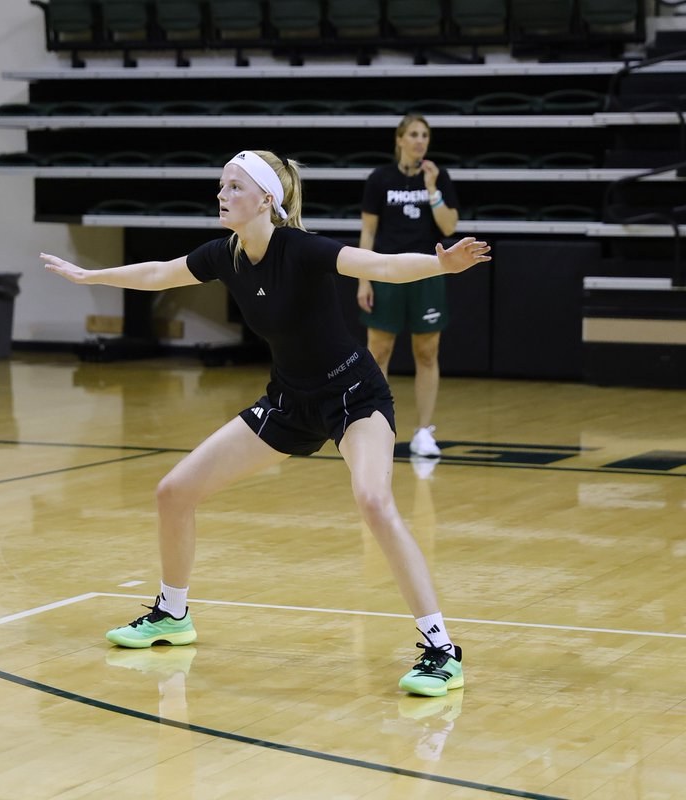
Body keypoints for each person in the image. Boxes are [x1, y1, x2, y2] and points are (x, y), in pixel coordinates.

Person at [42, 149, 490, 696]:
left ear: (266, 200)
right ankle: (173, 614)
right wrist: (91, 275)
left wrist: (440, 264)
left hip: (353, 395)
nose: (221, 195)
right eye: (221, 186)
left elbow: (379, 266)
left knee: (374, 501)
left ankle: (441, 649)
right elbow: (161, 273)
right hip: (288, 402)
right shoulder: (225, 255)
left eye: (233, 187)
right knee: (173, 492)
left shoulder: (298, 249)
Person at [357, 114, 460, 459]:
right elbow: (368, 232)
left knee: (427, 352)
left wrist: (432, 191)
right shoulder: (379, 179)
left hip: (428, 272)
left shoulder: (438, 177)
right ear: (399, 139)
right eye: (413, 134)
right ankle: (377, 429)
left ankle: (423, 432)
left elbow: (448, 227)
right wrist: (363, 277)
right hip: (386, 271)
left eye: (425, 135)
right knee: (378, 352)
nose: (420, 141)